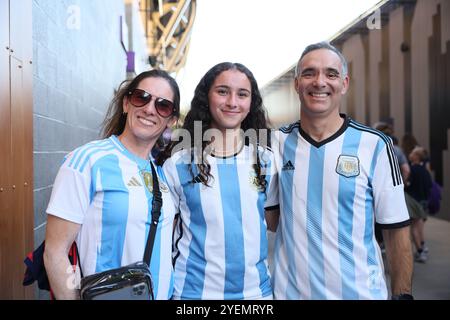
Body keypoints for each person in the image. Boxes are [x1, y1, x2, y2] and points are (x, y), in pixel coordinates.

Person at [268, 42, 413, 300]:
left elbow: (396, 230)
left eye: (331, 74)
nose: (320, 82)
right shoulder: (276, 144)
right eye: (309, 73)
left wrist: (402, 295)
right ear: (297, 83)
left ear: (344, 84)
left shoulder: (376, 146)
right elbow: (271, 219)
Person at [43, 70, 180, 299]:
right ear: (126, 103)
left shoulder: (163, 174)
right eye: (141, 97)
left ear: (171, 120)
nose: (149, 109)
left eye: (163, 105)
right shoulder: (87, 160)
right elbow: (55, 252)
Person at [161, 62, 278, 299]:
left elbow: (272, 223)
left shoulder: (266, 161)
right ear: (207, 97)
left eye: (242, 94)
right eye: (222, 91)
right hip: (194, 296)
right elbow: (165, 239)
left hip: (256, 296)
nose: (232, 102)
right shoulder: (178, 163)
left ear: (250, 103)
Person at [405, 146, 432, 263]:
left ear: (416, 156)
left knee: (414, 228)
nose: (410, 154)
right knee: (420, 227)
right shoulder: (425, 171)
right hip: (423, 201)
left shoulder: (413, 169)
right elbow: (429, 185)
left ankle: (420, 252)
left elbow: (407, 185)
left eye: (412, 152)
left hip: (413, 201)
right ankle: (423, 247)